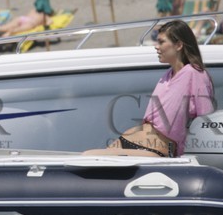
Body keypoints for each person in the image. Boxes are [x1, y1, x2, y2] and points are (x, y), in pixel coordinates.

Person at [85, 19, 214, 158]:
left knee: (88, 157)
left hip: (155, 149)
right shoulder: (167, 75)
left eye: (161, 42)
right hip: (135, 144)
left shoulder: (194, 74)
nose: (156, 47)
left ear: (178, 45)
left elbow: (205, 120)